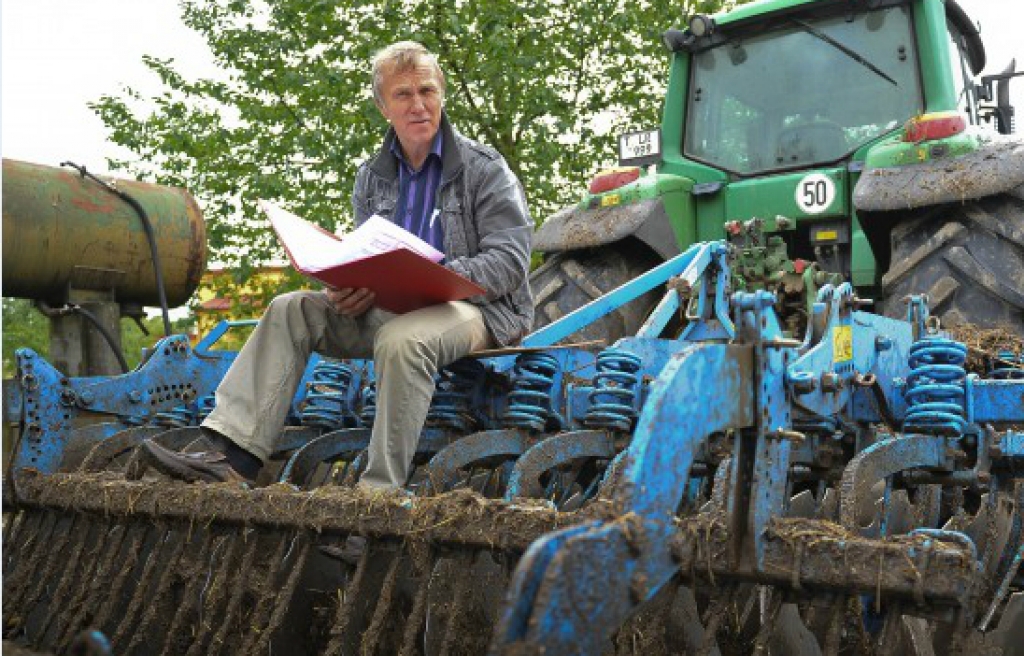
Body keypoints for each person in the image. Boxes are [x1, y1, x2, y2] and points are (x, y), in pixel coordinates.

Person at [143, 41, 534, 489]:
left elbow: (509, 262)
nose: (419, 105)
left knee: (402, 339)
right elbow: (366, 259)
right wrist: (350, 290)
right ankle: (232, 458)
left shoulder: (486, 169)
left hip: (477, 311)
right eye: (403, 94)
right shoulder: (372, 177)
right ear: (382, 105)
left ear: (442, 94)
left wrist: (440, 277)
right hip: (398, 307)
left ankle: (378, 497)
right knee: (293, 308)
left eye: (427, 90)